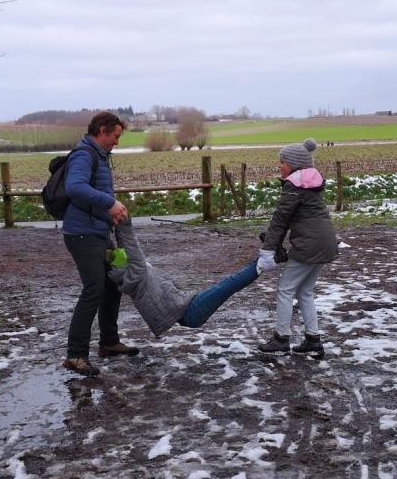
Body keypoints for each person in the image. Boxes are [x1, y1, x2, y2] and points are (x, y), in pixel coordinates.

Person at [61, 112, 135, 377]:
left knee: (111, 286)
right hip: (81, 234)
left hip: (97, 230)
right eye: (115, 136)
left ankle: (108, 343)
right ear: (102, 130)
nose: (117, 142)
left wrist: (109, 215)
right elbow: (75, 188)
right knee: (94, 289)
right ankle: (75, 355)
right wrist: (111, 204)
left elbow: (91, 196)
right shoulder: (84, 154)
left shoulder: (100, 156)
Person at [107, 217, 268, 337]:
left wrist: (115, 222)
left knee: (228, 285)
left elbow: (125, 245)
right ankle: (266, 260)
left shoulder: (127, 276)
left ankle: (264, 258)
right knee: (229, 284)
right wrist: (122, 218)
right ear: (127, 263)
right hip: (190, 310)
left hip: (186, 310)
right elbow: (131, 243)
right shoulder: (137, 272)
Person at [257, 138, 338, 356]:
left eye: (282, 162)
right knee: (305, 291)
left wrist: (268, 250)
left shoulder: (294, 185)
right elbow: (293, 218)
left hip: (309, 245)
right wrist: (274, 243)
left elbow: (281, 219)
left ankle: (281, 339)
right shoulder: (309, 183)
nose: (279, 166)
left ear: (293, 164)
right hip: (325, 242)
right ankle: (313, 340)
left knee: (285, 289)